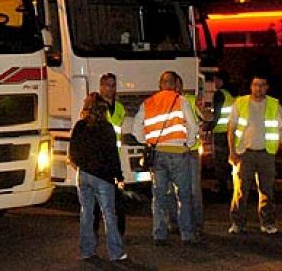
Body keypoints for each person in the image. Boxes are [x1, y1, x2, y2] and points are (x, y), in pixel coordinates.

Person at [132, 70, 199, 245]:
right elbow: (192, 126)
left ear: (161, 84)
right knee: (183, 196)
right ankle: (187, 234)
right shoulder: (180, 100)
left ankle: (159, 234)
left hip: (158, 154)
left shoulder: (148, 102)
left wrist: (147, 140)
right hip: (178, 153)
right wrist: (188, 143)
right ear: (175, 84)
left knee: (159, 196)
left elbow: (135, 128)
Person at [227, 72, 282, 235]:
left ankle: (267, 223)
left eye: (262, 85)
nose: (259, 88)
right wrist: (232, 151)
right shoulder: (240, 103)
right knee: (240, 191)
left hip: (266, 154)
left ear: (267, 87)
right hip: (244, 153)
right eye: (256, 85)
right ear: (251, 86)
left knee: (267, 190)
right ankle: (237, 223)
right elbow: (231, 129)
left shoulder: (274, 104)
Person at [69, 92, 127, 261]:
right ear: (103, 109)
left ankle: (87, 250)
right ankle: (116, 253)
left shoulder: (79, 126)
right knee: (109, 214)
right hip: (103, 177)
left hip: (84, 174)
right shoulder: (106, 128)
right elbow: (112, 155)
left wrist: (82, 165)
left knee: (86, 213)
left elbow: (72, 153)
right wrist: (119, 176)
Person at [166, 73, 204, 237]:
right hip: (170, 151)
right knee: (170, 190)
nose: (175, 88)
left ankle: (196, 224)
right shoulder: (161, 101)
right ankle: (174, 222)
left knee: (193, 190)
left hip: (189, 152)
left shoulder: (189, 100)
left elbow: (200, 121)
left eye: (176, 84)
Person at [93, 73, 126, 238]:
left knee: (118, 200)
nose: (110, 88)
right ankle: (94, 232)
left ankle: (119, 233)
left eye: (112, 85)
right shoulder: (94, 108)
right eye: (106, 85)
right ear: (100, 87)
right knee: (96, 203)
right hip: (98, 161)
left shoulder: (120, 108)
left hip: (114, 160)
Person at [207, 70, 234, 199]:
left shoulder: (219, 94)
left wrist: (209, 127)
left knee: (220, 162)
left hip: (220, 132)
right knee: (229, 161)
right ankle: (232, 186)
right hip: (230, 131)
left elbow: (217, 115)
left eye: (215, 80)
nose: (214, 83)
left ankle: (222, 188)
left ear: (221, 81)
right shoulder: (231, 94)